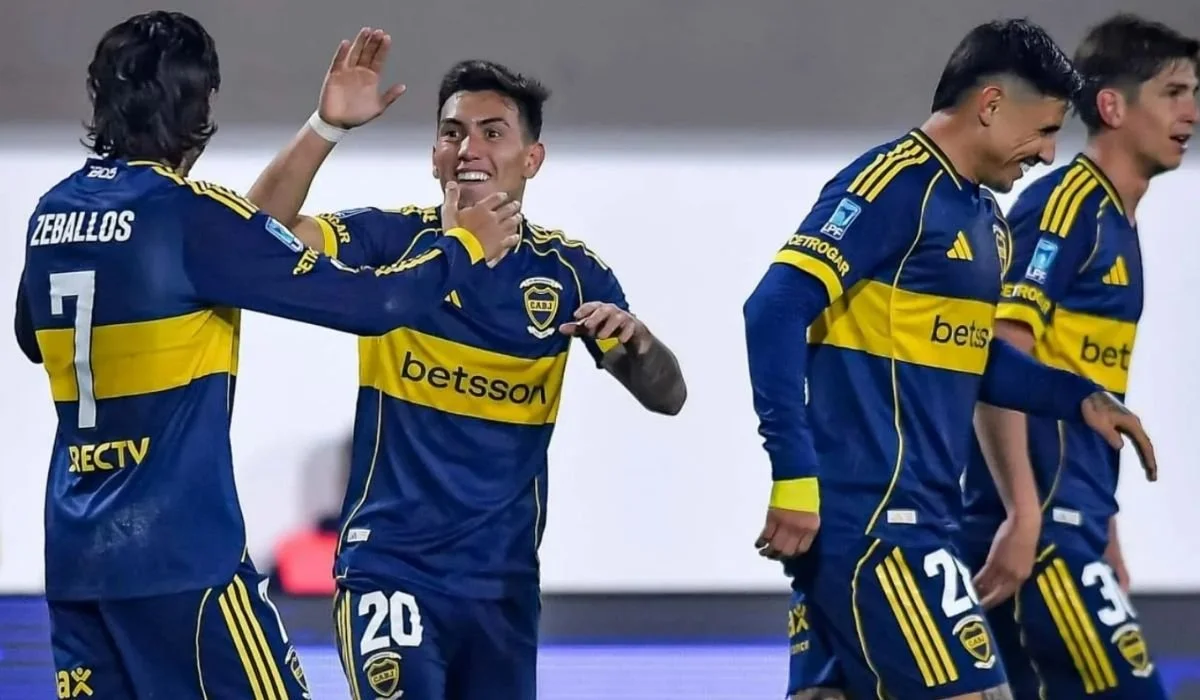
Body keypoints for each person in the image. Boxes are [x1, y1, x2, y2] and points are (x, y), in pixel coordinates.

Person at [14, 12, 520, 700]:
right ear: (197, 108)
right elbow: (371, 305)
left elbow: (31, 336)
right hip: (183, 562)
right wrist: (461, 246)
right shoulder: (189, 214)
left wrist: (325, 127)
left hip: (77, 565)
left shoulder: (52, 213)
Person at [246, 30, 688, 700]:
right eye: (452, 133)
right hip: (390, 568)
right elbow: (254, 231)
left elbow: (667, 397)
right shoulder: (392, 239)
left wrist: (642, 346)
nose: (468, 149)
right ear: (434, 156)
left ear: (532, 158)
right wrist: (325, 127)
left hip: (501, 586)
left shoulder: (570, 273)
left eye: (492, 133)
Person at [743, 18, 1159, 700]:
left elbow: (974, 358)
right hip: (877, 524)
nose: (1048, 154)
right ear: (990, 105)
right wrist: (792, 473)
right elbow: (775, 307)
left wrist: (1078, 397)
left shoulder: (986, 220)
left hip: (915, 524)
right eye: (1045, 130)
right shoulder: (894, 183)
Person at [960, 14, 1197, 699]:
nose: (1191, 112)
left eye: (1194, 93)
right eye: (1174, 92)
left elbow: (1087, 387)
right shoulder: (1067, 206)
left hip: (1072, 528)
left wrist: (1107, 535)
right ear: (1113, 106)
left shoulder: (1117, 220)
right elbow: (999, 355)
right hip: (1041, 535)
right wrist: (1023, 513)